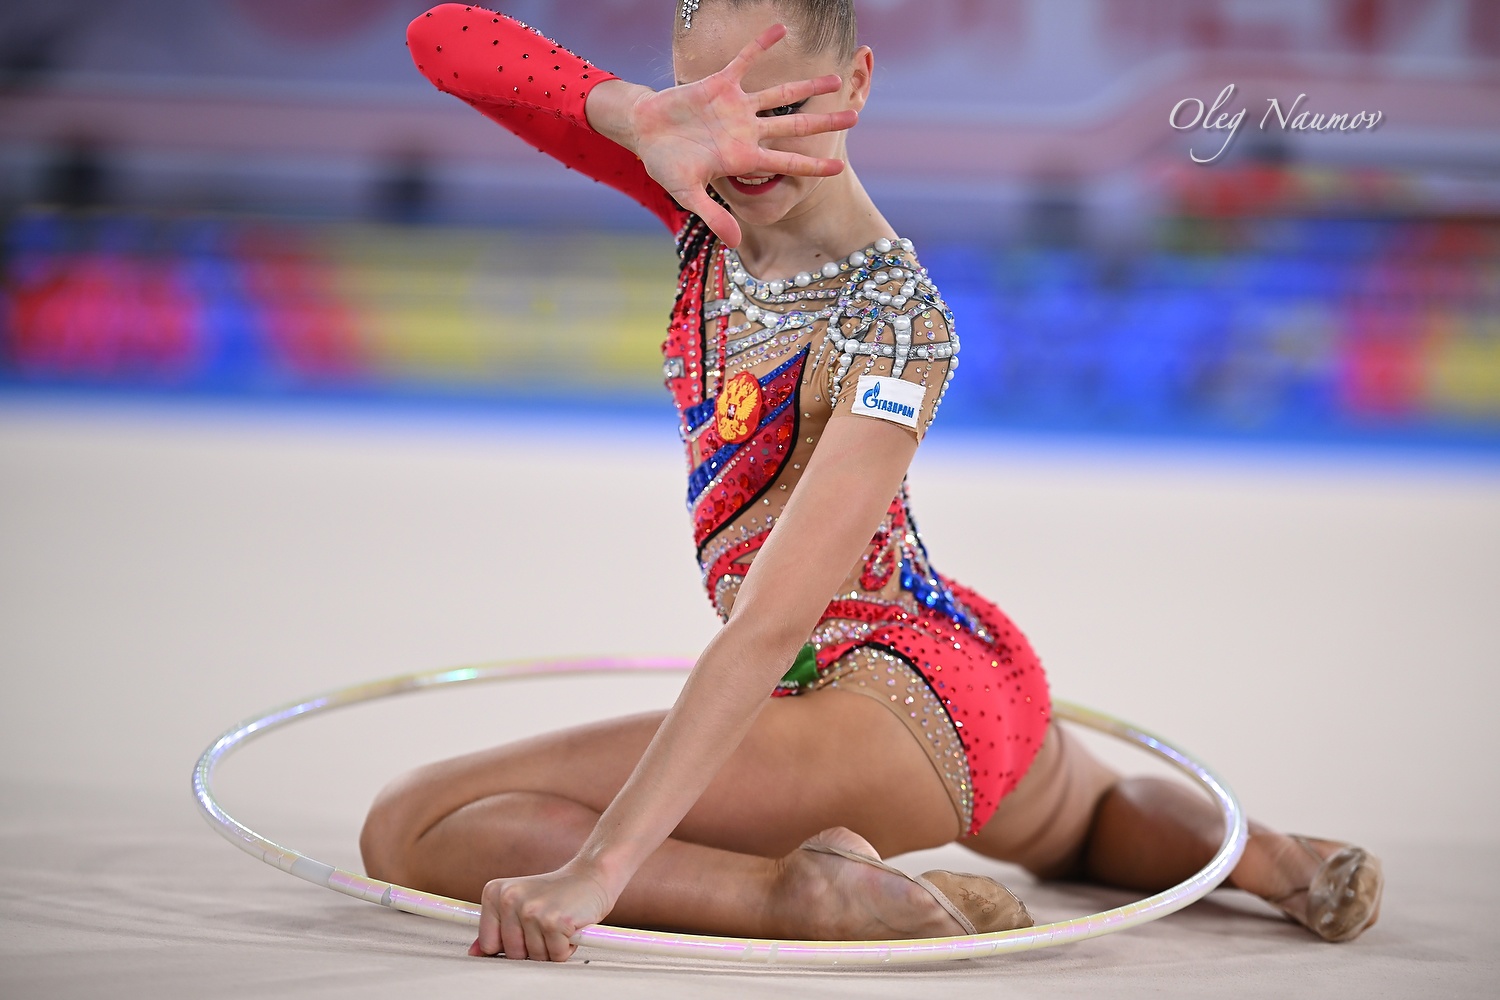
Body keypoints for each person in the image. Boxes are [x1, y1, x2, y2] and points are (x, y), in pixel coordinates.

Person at [361, 1, 1383, 963]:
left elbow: (769, 624)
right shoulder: (699, 192)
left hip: (886, 703)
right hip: (968, 669)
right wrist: (636, 117)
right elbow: (436, 38)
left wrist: (602, 871)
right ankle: (1278, 859)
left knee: (410, 825)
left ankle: (794, 897)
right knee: (1085, 820)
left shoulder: (896, 318)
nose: (743, 148)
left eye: (782, 109)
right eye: (710, 108)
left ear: (856, 79)